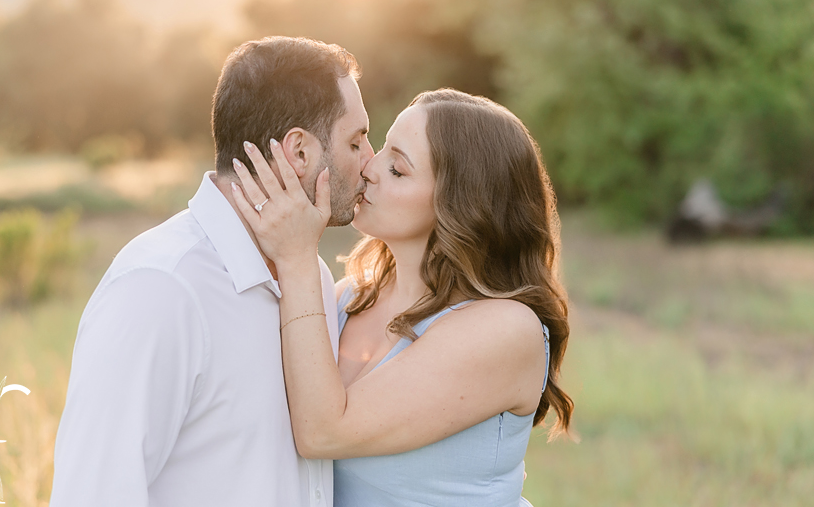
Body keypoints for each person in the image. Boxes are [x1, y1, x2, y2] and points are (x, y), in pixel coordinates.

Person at [49, 36, 374, 507]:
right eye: (357, 140)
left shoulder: (312, 276)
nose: (370, 162)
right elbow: (94, 493)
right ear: (299, 151)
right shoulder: (159, 288)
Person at [232, 88, 574, 506]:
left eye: (397, 168)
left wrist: (297, 256)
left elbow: (322, 432)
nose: (368, 168)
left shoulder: (506, 329)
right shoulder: (350, 296)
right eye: (379, 149)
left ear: (460, 204)